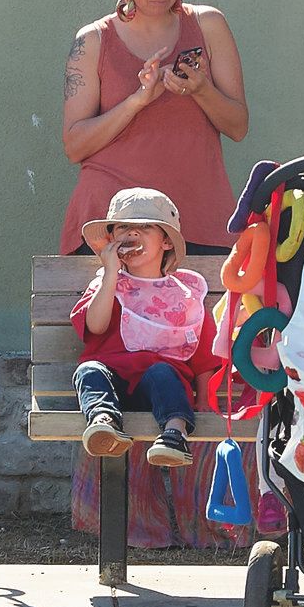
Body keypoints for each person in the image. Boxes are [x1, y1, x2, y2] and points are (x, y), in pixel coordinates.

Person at [60, 0, 249, 258]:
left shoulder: (209, 25)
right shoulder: (93, 40)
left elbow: (238, 127)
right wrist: (137, 101)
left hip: (198, 217)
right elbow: (75, 146)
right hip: (112, 222)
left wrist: (201, 90)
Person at [72, 188, 219, 469]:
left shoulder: (183, 294)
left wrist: (203, 399)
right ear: (111, 240)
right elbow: (96, 326)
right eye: (122, 228)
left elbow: (203, 355)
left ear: (166, 242)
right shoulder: (106, 283)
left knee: (162, 372)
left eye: (145, 227)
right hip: (113, 385)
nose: (132, 233)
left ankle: (175, 434)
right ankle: (103, 422)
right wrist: (111, 274)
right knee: (88, 371)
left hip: (160, 387)